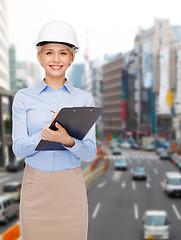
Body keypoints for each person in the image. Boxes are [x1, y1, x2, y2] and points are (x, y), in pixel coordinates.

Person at [12, 20, 96, 240]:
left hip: (70, 187)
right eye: (49, 52)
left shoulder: (84, 98)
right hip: (35, 187)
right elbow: (19, 148)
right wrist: (44, 135)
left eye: (63, 53)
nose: (56, 59)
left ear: (71, 58)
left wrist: (67, 140)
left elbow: (89, 152)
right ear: (40, 57)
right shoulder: (23, 98)